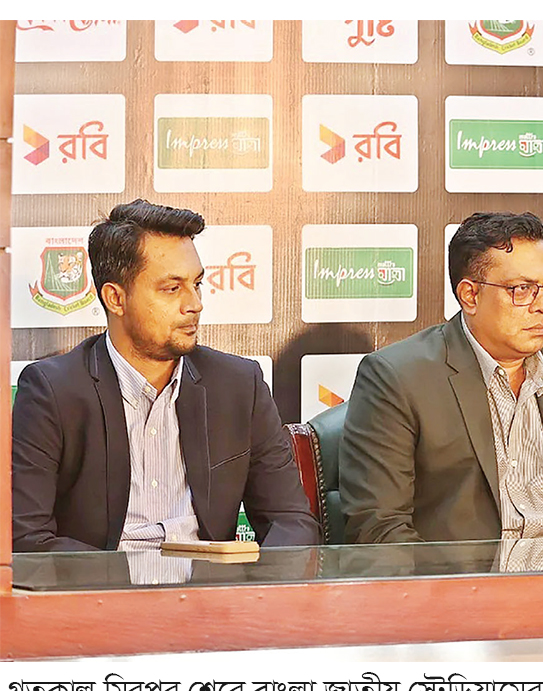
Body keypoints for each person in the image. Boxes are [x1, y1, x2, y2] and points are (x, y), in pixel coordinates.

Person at [12, 199, 319, 552]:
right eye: (172, 288)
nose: (194, 304)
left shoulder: (239, 385)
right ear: (115, 298)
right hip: (104, 584)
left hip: (211, 585)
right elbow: (27, 538)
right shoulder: (53, 391)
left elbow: (291, 521)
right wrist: (120, 579)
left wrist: (256, 582)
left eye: (196, 284)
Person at [339, 211, 543, 564]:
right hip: (460, 590)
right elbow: (379, 529)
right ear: (470, 295)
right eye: (522, 290)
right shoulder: (397, 379)